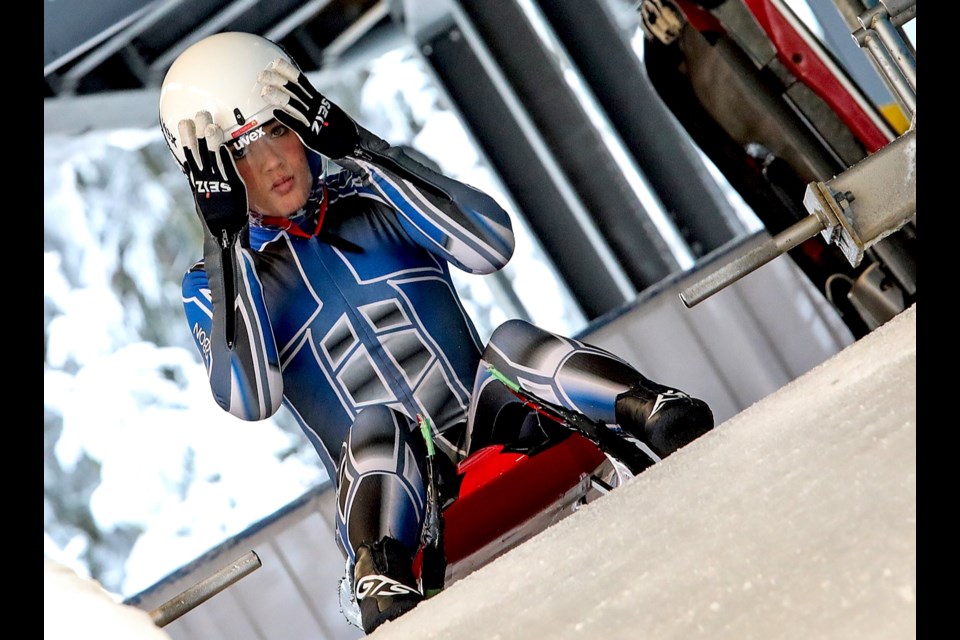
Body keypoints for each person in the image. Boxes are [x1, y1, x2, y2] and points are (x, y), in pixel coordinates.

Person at [159, 31, 714, 634]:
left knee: (512, 342)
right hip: (402, 510)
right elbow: (250, 399)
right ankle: (380, 571)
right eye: (239, 153)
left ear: (307, 119)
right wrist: (226, 241)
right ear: (208, 173)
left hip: (504, 434)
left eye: (279, 129)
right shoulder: (208, 285)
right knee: (376, 426)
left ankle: (646, 406)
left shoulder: (376, 187)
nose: (269, 162)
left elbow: (490, 245)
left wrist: (363, 150)